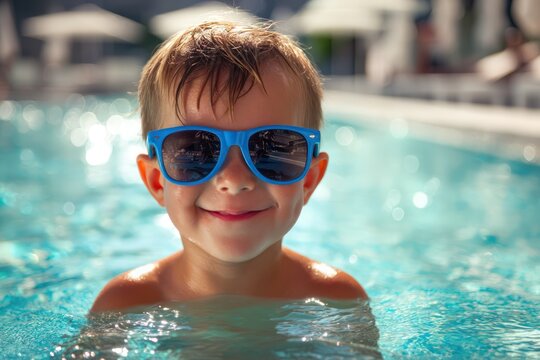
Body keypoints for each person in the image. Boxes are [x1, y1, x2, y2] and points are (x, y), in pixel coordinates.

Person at [90, 21, 367, 312]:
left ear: (308, 180)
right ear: (158, 181)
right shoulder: (125, 304)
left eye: (272, 148)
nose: (234, 180)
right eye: (195, 151)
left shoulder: (338, 300)